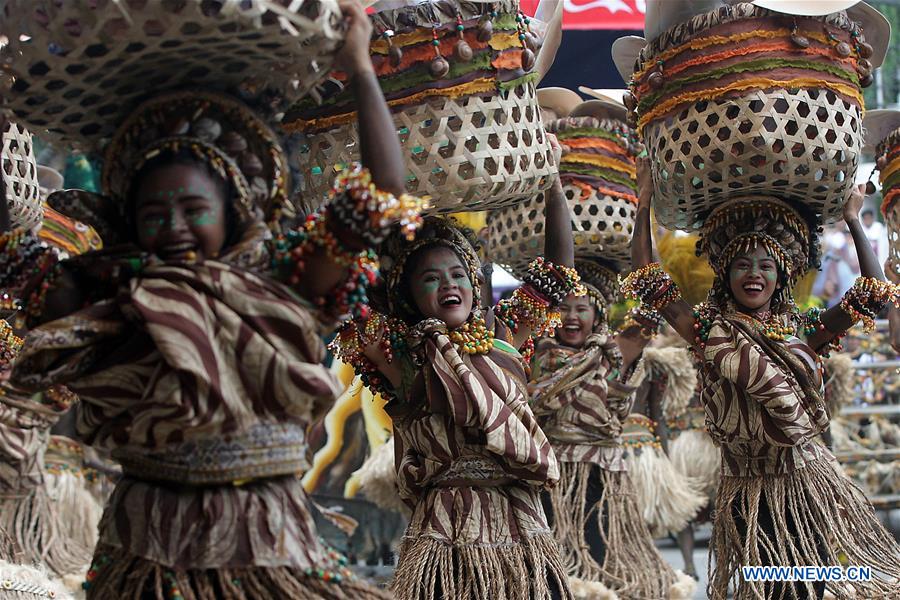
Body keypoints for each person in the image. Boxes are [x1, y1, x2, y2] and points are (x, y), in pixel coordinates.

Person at [0, 1, 423, 597]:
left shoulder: (285, 280)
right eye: (154, 213)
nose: (172, 225)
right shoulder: (109, 299)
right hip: (145, 542)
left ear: (234, 211)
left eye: (193, 209)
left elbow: (381, 199)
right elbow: (14, 256)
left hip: (266, 541)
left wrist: (359, 68)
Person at [625, 156, 900, 599]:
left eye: (765, 265)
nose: (754, 274)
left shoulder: (805, 330)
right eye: (742, 265)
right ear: (726, 275)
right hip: (747, 494)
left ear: (782, 275)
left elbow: (870, 293)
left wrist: (852, 219)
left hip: (806, 485)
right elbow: (647, 280)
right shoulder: (707, 331)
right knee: (769, 588)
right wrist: (644, 203)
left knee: (814, 584)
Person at [332, 154, 578, 599]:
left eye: (458, 274)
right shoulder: (400, 353)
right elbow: (349, 299)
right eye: (430, 278)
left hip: (517, 518)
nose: (449, 284)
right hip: (444, 528)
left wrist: (553, 183)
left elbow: (557, 274)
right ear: (409, 296)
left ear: (475, 284)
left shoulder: (503, 335)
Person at [527, 259, 696, 598]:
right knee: (552, 567)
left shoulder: (615, 353)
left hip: (602, 477)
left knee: (600, 556)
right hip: (553, 476)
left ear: (598, 315)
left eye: (582, 309)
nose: (572, 317)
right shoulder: (539, 357)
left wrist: (645, 239)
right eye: (563, 309)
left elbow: (652, 309)